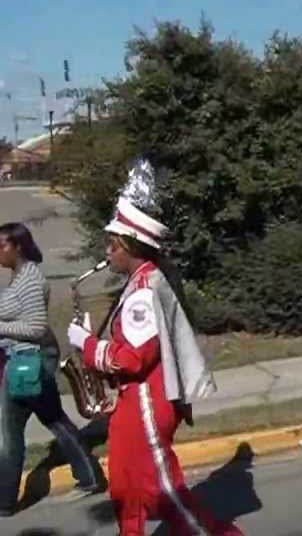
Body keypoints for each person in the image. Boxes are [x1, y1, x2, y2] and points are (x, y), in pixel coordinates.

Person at [67, 183, 240, 535]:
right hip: (134, 404)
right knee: (125, 489)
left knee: (164, 494)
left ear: (128, 245)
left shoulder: (143, 293)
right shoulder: (143, 281)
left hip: (146, 403)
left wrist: (86, 344)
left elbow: (131, 360)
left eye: (111, 245)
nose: (107, 252)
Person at [0, 223, 103, 516]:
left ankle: (5, 502)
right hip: (22, 358)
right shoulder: (18, 276)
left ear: (18, 246)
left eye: (1, 245)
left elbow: (35, 328)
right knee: (47, 421)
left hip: (31, 359)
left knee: (16, 431)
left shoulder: (31, 278)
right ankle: (90, 478)